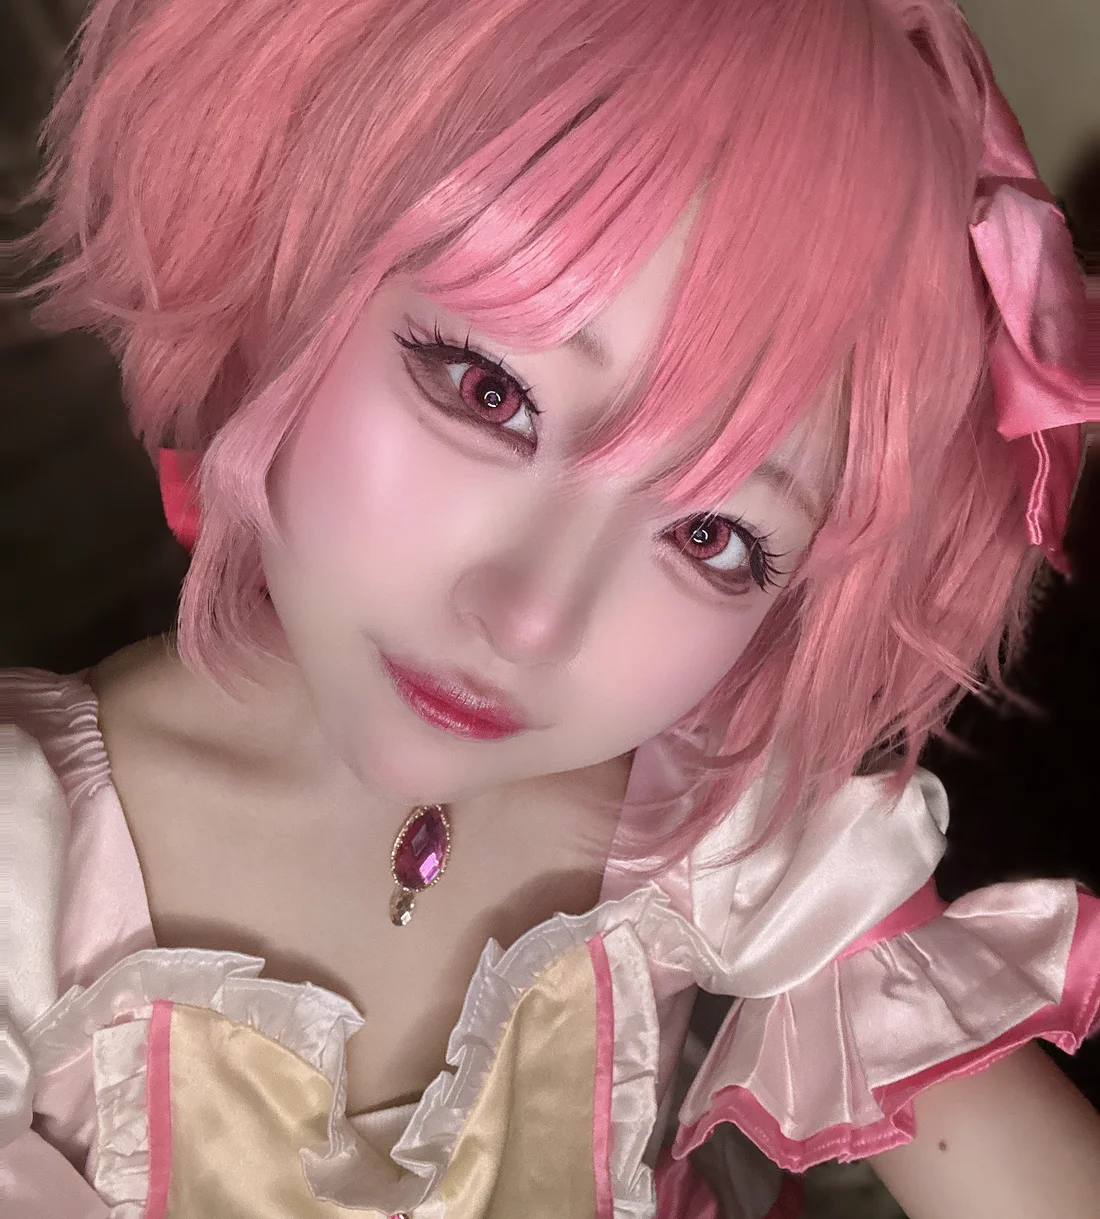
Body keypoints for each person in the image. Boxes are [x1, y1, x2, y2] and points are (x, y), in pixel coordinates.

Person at [3, 0, 1099, 1215]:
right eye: (488, 391)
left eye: (711, 536)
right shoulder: (25, 875)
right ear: (298, 264)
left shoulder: (719, 838)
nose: (528, 621)